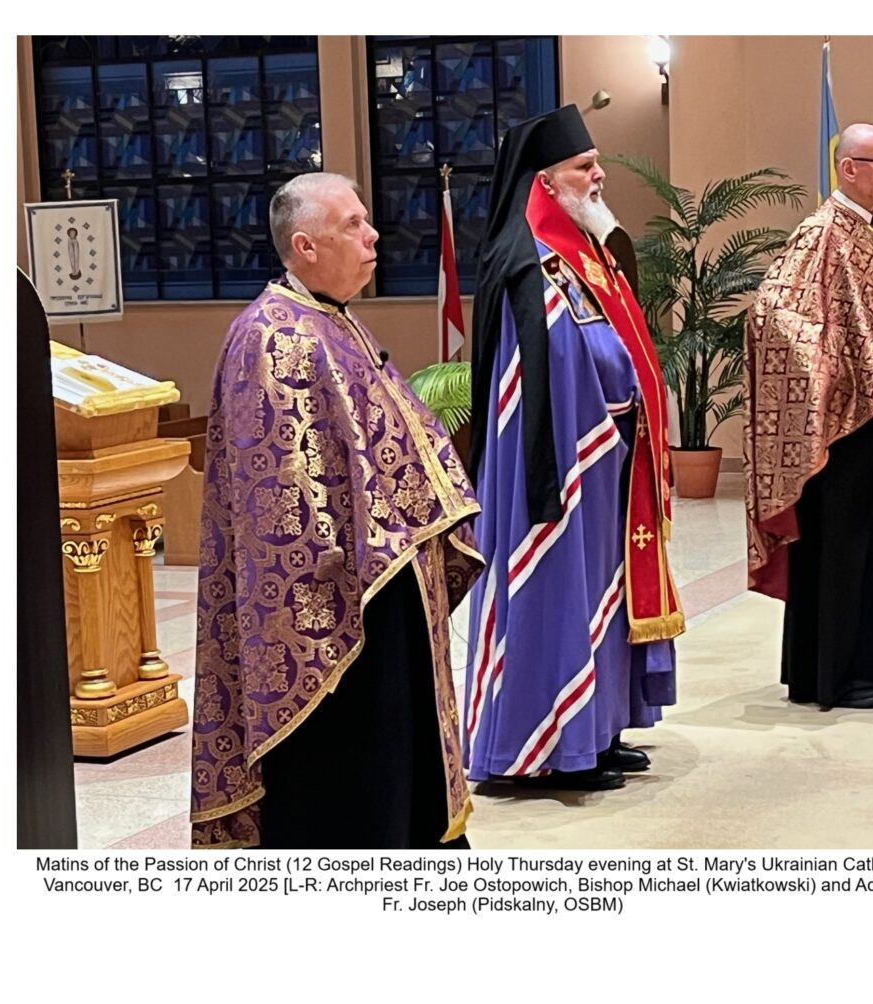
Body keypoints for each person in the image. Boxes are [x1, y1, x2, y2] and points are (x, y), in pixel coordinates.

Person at [190, 173, 483, 848]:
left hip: (385, 583)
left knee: (398, 754)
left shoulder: (331, 321)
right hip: (334, 611)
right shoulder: (273, 337)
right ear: (306, 246)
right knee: (352, 775)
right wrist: (339, 582)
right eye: (353, 224)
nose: (373, 235)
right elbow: (277, 496)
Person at [463, 105, 684, 792]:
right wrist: (592, 430)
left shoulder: (589, 254)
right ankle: (550, 748)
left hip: (611, 458)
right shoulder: (530, 266)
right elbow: (543, 372)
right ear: (545, 182)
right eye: (584, 166)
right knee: (560, 595)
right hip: (562, 460)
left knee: (602, 601)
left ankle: (598, 732)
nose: (599, 175)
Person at [744, 123, 873, 710]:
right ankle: (845, 673)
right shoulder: (821, 233)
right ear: (848, 168)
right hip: (848, 427)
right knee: (849, 544)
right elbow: (771, 313)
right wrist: (830, 370)